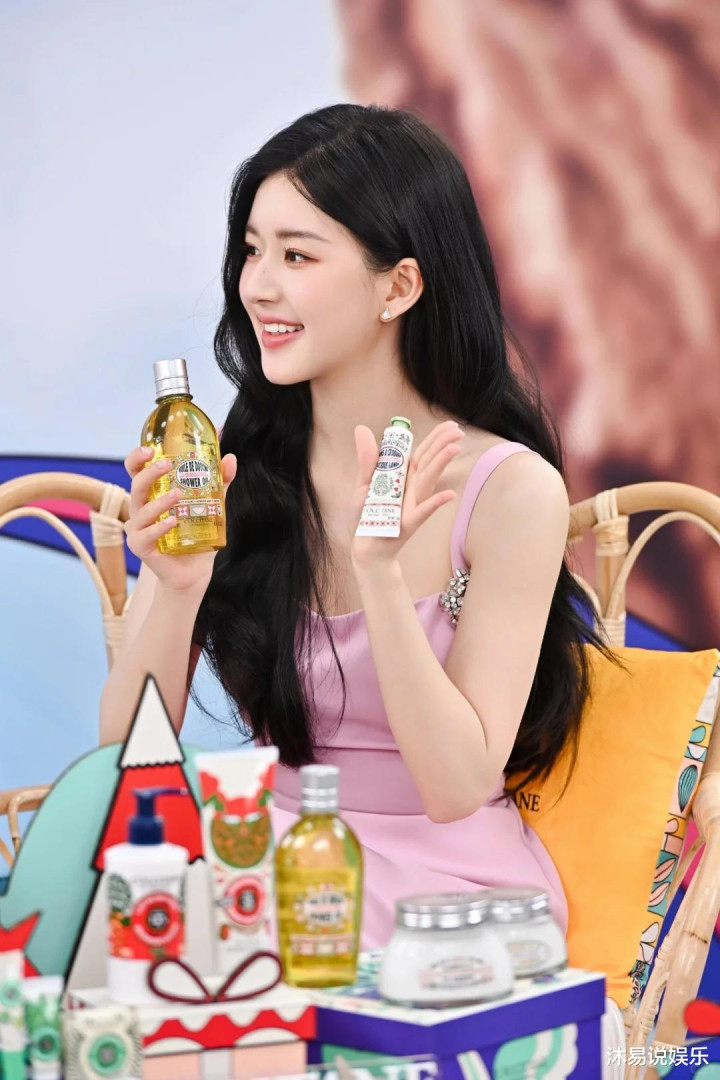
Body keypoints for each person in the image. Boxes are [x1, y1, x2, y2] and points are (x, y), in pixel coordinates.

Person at [100, 103, 611, 947]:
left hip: (444, 895)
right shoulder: (231, 466)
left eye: (297, 255)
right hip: (263, 864)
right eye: (252, 250)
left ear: (399, 286)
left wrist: (379, 573)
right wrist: (179, 590)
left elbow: (455, 786)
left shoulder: (511, 491)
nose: (258, 286)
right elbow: (125, 752)